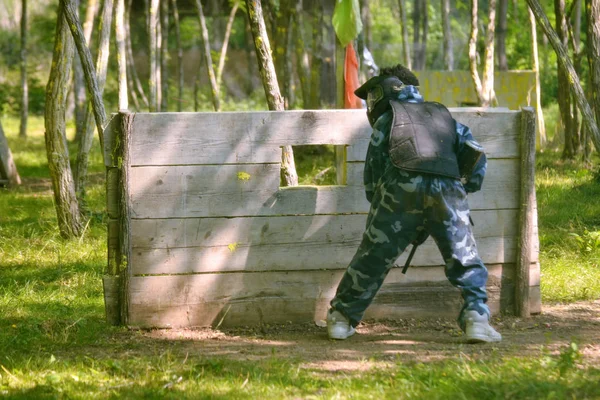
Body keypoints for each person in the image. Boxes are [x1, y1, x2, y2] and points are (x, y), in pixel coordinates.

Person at [327, 64, 502, 344]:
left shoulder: (388, 119)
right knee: (465, 258)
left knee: (372, 257)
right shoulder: (443, 115)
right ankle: (476, 319)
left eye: (373, 96)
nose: (371, 104)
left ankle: (341, 319)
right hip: (448, 190)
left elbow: (372, 176)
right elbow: (475, 156)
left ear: (387, 91)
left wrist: (388, 215)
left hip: (399, 191)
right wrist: (460, 193)